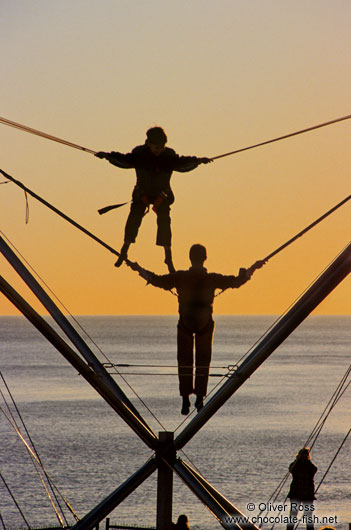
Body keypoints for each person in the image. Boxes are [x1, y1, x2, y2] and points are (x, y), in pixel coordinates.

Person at [129, 244, 265, 414]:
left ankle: (185, 399)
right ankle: (199, 397)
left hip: (186, 321)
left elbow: (157, 280)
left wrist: (137, 268)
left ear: (190, 258)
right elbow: (236, 282)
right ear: (205, 258)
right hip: (204, 322)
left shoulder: (181, 277)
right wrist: (253, 268)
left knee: (184, 360)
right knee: (203, 359)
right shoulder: (212, 279)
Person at [95, 127, 212, 272]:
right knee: (134, 217)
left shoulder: (168, 156)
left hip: (161, 196)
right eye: (157, 148)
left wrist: (198, 161)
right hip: (142, 194)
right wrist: (107, 156)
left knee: (164, 220)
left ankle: (168, 256)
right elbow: (124, 160)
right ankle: (125, 249)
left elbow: (182, 163)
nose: (159, 150)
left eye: (162, 147)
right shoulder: (139, 154)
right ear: (149, 144)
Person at [287, 447, 317, 530]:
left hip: (306, 493)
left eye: (305, 455)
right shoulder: (296, 465)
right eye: (302, 455)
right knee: (293, 514)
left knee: (308, 515)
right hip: (297, 492)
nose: (304, 457)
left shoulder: (309, 466)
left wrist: (306, 461)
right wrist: (299, 461)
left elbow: (314, 469)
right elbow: (291, 469)